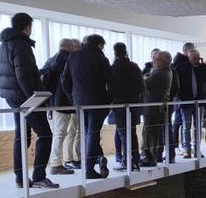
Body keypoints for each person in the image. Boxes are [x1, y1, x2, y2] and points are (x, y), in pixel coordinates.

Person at [0, 12, 57, 189]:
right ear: (28, 27)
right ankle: (38, 176)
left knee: (21, 136)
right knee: (45, 134)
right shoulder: (21, 45)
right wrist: (37, 99)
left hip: (12, 97)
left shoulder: (3, 45)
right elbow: (24, 76)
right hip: (27, 98)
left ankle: (20, 178)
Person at [63, 34, 113, 178]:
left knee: (88, 133)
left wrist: (72, 98)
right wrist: (109, 100)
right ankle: (89, 170)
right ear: (99, 45)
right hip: (98, 102)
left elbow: (65, 80)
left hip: (79, 102)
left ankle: (99, 158)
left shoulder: (73, 57)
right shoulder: (101, 58)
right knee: (92, 133)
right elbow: (111, 82)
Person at [42, 37, 80, 175]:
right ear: (70, 46)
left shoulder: (51, 59)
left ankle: (57, 162)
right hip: (62, 102)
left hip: (50, 102)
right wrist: (72, 98)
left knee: (57, 133)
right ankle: (56, 164)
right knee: (60, 133)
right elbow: (67, 82)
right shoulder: (68, 60)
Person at [110, 42, 145, 171]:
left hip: (119, 104)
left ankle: (126, 161)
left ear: (115, 53)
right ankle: (135, 161)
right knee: (132, 132)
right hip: (133, 104)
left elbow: (110, 88)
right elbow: (142, 87)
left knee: (123, 133)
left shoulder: (113, 68)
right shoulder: (134, 66)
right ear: (126, 52)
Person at [171, 46, 206, 159]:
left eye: (198, 58)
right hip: (186, 102)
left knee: (198, 127)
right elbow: (176, 83)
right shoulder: (181, 67)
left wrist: (203, 65)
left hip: (199, 102)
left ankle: (197, 149)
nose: (196, 60)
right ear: (188, 58)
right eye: (194, 58)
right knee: (186, 127)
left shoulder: (202, 68)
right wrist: (179, 98)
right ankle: (187, 149)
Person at [141, 50, 172, 166]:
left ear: (164, 62)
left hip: (153, 108)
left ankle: (150, 158)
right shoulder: (164, 71)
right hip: (155, 107)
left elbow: (144, 83)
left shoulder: (159, 73)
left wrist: (144, 76)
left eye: (157, 59)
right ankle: (149, 156)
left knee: (151, 134)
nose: (153, 60)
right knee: (149, 133)